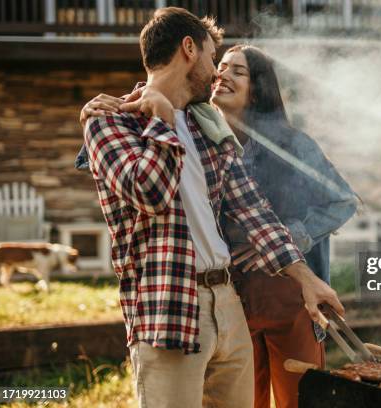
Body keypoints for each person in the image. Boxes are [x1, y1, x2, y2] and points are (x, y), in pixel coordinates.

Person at [77, 7, 344, 408]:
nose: (215, 72)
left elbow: (253, 210)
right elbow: (150, 193)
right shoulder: (110, 123)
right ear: (188, 48)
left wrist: (307, 278)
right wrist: (164, 121)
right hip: (168, 306)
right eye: (210, 57)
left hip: (229, 304)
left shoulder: (206, 127)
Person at [212, 45, 357, 408]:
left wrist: (287, 237)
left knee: (299, 399)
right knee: (245, 401)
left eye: (237, 71)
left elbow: (343, 201)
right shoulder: (206, 144)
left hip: (292, 298)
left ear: (258, 88)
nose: (223, 74)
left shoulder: (292, 144)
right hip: (233, 299)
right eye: (221, 66)